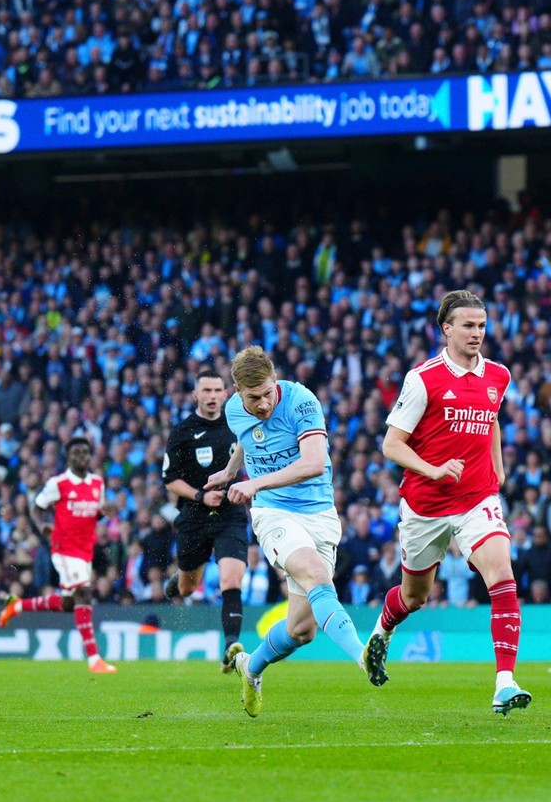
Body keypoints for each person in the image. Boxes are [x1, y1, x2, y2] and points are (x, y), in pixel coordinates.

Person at [363, 290, 531, 716]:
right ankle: (382, 632)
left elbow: (491, 419)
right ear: (447, 329)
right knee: (415, 597)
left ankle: (504, 682)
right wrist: (433, 470)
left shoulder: (499, 375)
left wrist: (498, 468)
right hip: (425, 504)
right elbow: (391, 444)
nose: (477, 333)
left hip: (476, 497)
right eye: (468, 326)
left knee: (501, 571)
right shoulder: (423, 379)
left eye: (482, 325)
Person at [216, 345, 370, 717]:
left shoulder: (301, 401)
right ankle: (364, 657)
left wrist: (253, 482)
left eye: (268, 393)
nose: (264, 404)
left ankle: (250, 667)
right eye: (254, 397)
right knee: (317, 576)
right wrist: (231, 471)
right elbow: (245, 437)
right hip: (274, 513)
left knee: (302, 630)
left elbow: (315, 463)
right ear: (238, 392)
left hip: (319, 513)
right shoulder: (234, 408)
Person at [0, 436, 116, 674]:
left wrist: (103, 514)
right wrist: (42, 524)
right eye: (76, 453)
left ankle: (17, 605)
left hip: (85, 550)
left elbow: (94, 514)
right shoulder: (58, 483)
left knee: (68, 603)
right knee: (84, 593)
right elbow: (36, 507)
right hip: (63, 548)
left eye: (85, 452)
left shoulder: (97, 483)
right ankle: (94, 660)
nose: (81, 456)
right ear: (69, 457)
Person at [161, 368, 251, 671]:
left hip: (231, 514)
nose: (212, 396)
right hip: (195, 516)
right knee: (188, 588)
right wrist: (200, 496)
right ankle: (178, 581)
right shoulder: (182, 431)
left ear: (226, 394)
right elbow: (170, 479)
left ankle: (231, 648)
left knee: (231, 579)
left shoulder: (238, 425)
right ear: (195, 395)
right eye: (206, 391)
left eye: (217, 391)